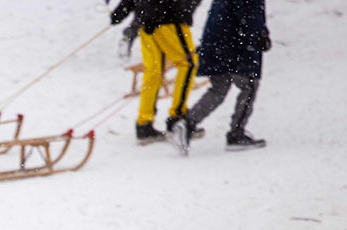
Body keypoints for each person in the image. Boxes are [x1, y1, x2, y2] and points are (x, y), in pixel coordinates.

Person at [171, 0, 271, 155]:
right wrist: (260, 36)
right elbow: (250, 17)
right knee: (249, 86)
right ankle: (236, 134)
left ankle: (187, 124)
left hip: (214, 43)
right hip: (234, 45)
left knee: (218, 89)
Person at [111, 0, 202, 144]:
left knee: (153, 72)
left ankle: (144, 124)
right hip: (170, 18)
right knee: (188, 65)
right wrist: (184, 9)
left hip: (146, 20)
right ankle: (178, 119)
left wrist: (121, 12)